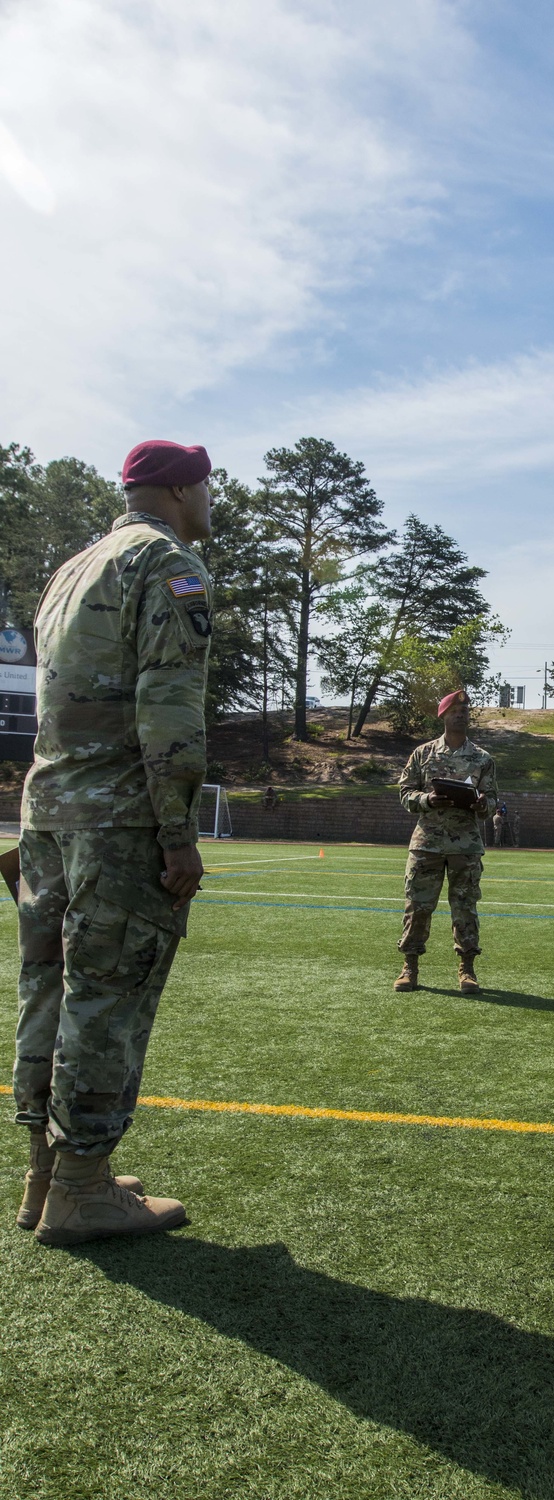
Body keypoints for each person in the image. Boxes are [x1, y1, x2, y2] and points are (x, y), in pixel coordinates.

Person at [13, 439, 215, 1246]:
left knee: (50, 992)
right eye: (206, 486)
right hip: (118, 819)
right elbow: (170, 715)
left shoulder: (73, 567)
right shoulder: (168, 566)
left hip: (49, 814)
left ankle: (44, 1177)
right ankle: (83, 1190)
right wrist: (179, 836)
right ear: (176, 490)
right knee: (106, 1000)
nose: (211, 502)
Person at [395, 689, 498, 995]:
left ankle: (467, 970)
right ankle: (409, 967)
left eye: (465, 711)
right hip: (426, 844)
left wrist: (482, 805)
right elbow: (404, 793)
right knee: (417, 907)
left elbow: (492, 798)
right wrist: (427, 798)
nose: (460, 714)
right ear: (442, 715)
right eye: (454, 710)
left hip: (465, 846)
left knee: (465, 908)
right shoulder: (423, 754)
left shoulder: (482, 759)